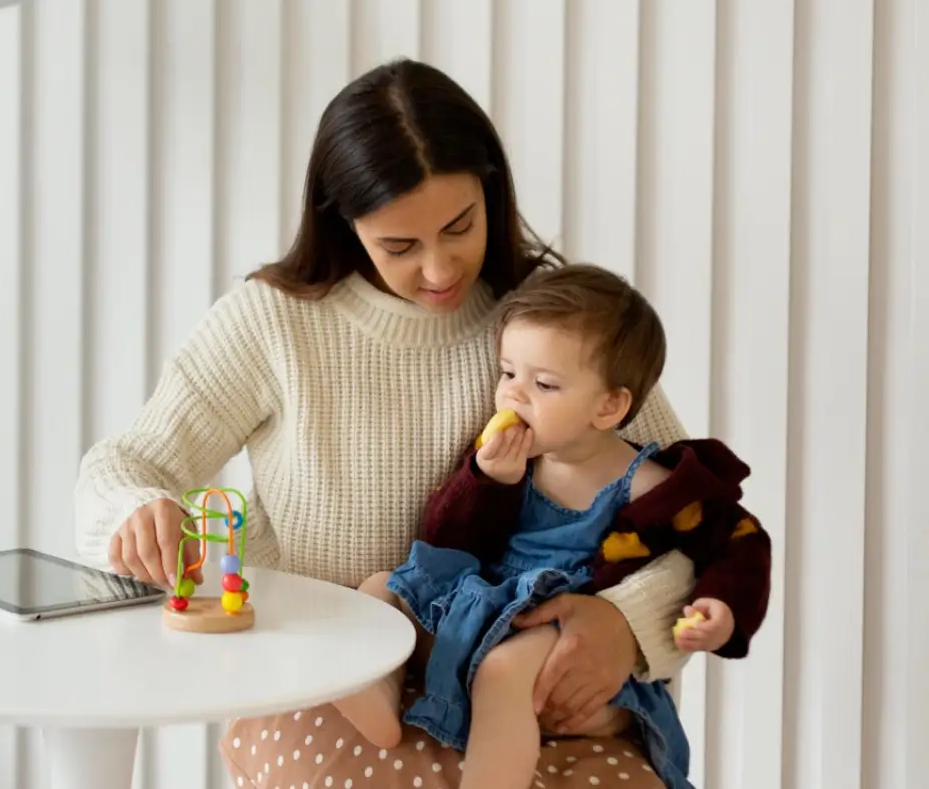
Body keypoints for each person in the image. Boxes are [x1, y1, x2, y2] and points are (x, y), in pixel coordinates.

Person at [72, 57, 720, 789]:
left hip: (521, 684)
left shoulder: (557, 326)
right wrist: (139, 515)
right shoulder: (273, 324)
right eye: (400, 247)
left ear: (491, 194)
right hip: (333, 688)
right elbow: (124, 466)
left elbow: (698, 520)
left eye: (460, 227)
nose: (441, 271)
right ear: (345, 225)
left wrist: (626, 628)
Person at [330, 263, 771, 789]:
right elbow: (446, 541)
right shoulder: (513, 458)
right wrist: (488, 480)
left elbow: (738, 542)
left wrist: (721, 607)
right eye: (508, 373)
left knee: (504, 669)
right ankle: (375, 696)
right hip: (483, 607)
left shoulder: (653, 485)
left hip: (554, 627)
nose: (514, 395)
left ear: (609, 406)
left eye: (543, 384)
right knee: (381, 589)